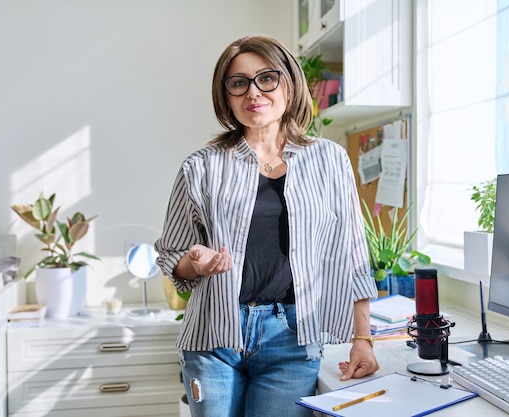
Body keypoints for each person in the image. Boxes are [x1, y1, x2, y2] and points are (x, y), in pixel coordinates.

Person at [155, 34, 379, 417]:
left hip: (291, 338)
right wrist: (196, 261)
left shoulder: (329, 160)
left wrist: (363, 339)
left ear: (288, 85)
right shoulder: (200, 166)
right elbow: (171, 255)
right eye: (238, 83)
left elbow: (352, 256)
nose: (253, 92)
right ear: (226, 96)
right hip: (214, 338)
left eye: (266, 78)